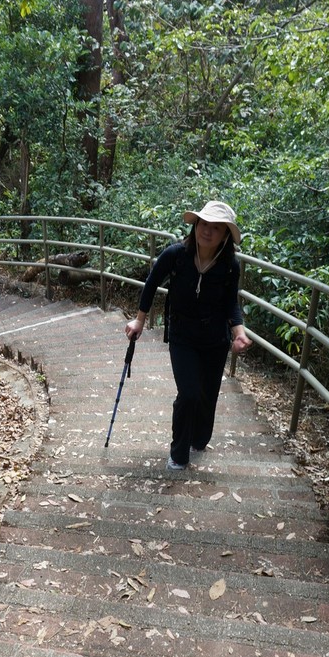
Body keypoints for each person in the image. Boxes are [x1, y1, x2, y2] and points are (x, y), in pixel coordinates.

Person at [125, 200, 252, 471]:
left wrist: (239, 332)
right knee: (189, 393)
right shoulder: (176, 255)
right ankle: (178, 453)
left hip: (215, 340)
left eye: (216, 228)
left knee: (208, 396)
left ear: (225, 235)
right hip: (183, 336)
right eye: (204, 224)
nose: (207, 231)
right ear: (195, 225)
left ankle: (199, 439)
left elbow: (231, 302)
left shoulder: (229, 266)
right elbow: (151, 284)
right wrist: (139, 320)